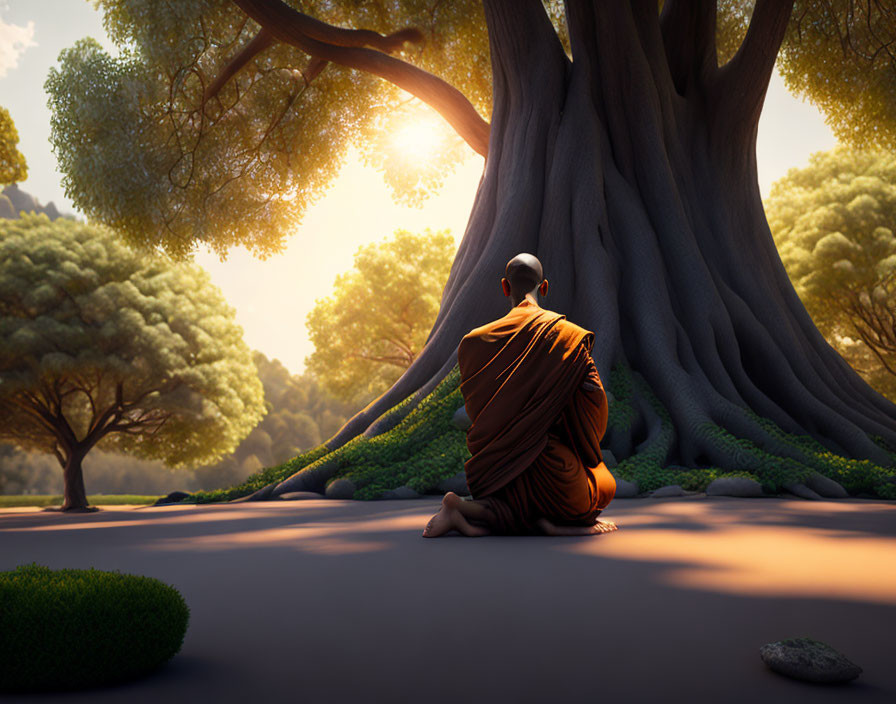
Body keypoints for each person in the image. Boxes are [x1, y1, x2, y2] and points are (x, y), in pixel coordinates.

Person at [422, 252, 618, 538]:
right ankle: (549, 523)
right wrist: (574, 436)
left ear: (505, 287)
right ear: (545, 287)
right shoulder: (567, 337)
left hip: (494, 474)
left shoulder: (473, 342)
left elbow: (481, 416)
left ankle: (466, 509)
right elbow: (594, 400)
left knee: (513, 496)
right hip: (555, 473)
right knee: (603, 485)